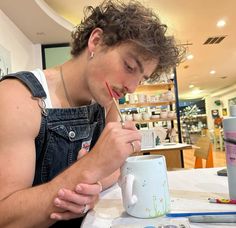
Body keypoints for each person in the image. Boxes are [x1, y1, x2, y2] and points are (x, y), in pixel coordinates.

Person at [0, 0, 183, 227]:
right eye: (129, 66)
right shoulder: (19, 97)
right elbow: (5, 216)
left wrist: (92, 185)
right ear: (96, 41)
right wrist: (91, 168)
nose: (132, 88)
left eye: (141, 78)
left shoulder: (106, 102)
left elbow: (116, 168)